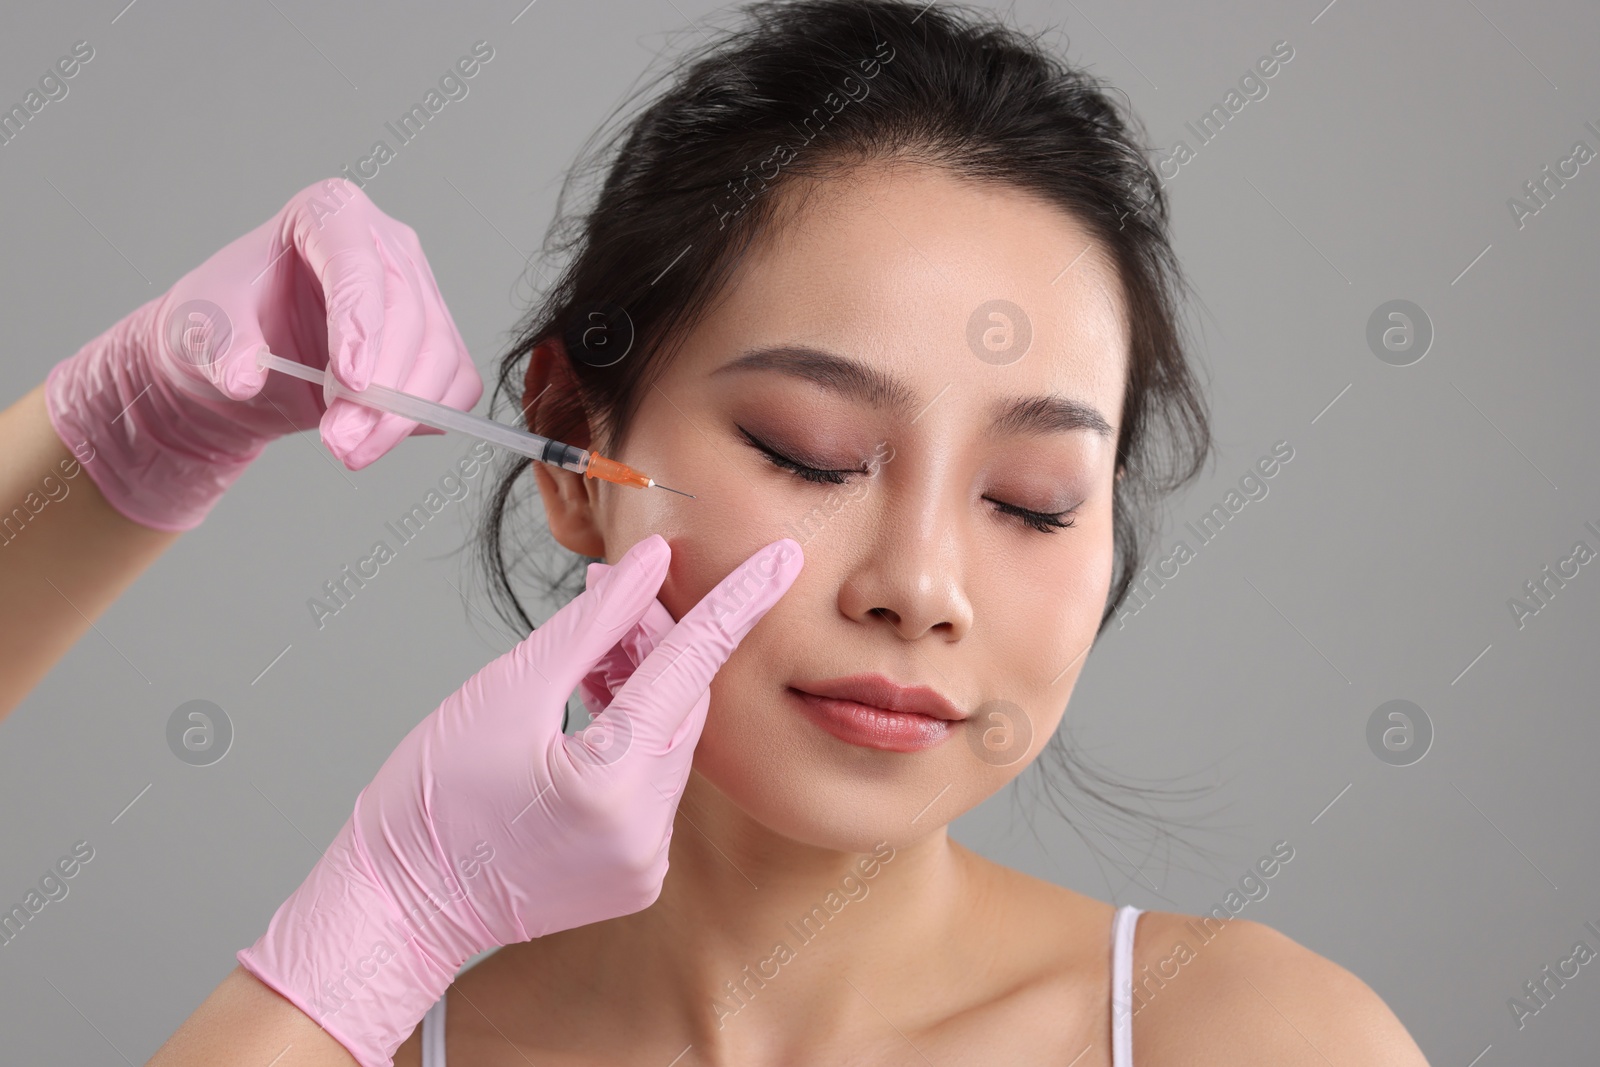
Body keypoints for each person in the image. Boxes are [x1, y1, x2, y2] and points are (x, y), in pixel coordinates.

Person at [1, 1, 1433, 1064]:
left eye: (1032, 501)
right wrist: (114, 437)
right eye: (809, 455)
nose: (920, 586)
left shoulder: (1253, 1038)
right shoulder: (346, 1029)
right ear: (572, 448)